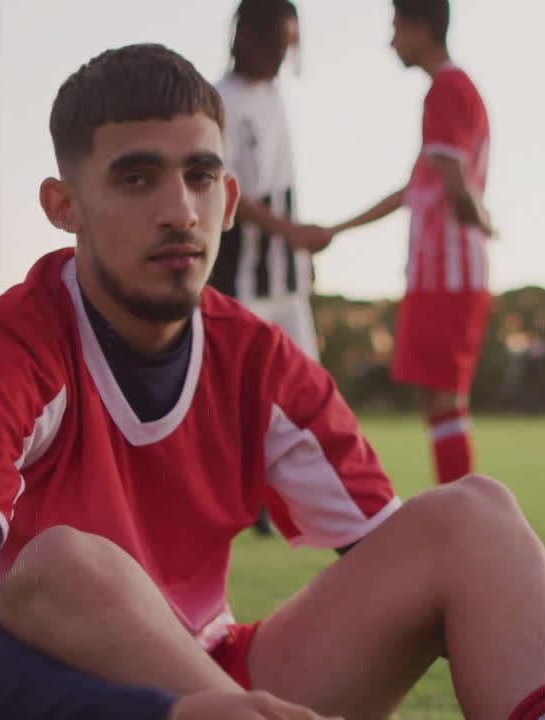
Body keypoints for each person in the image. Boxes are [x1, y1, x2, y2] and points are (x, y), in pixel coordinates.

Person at [0, 44, 545, 720]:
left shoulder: (259, 361)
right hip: (55, 699)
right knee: (61, 568)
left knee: (473, 516)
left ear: (231, 200)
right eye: (138, 178)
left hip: (211, 678)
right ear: (65, 207)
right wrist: (174, 713)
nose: (179, 210)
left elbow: (411, 568)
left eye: (201, 176)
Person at [330, 0, 493, 487]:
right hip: (438, 273)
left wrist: (480, 217)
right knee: (439, 401)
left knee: (446, 398)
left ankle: (461, 518)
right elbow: (414, 190)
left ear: (420, 29)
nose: (392, 40)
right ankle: (457, 511)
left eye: (396, 28)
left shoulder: (446, 88)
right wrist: (335, 231)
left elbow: (451, 175)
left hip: (450, 272)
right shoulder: (449, 91)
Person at [210, 0, 333, 536]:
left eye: (292, 44)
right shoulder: (220, 100)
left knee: (307, 384)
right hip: (240, 271)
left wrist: (297, 254)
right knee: (242, 390)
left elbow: (282, 185)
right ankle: (248, 501)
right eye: (279, 43)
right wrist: (293, 235)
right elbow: (227, 189)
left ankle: (306, 498)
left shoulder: (276, 95)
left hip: (284, 274)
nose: (286, 55)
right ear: (252, 38)